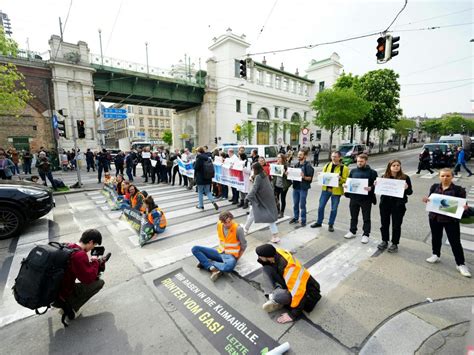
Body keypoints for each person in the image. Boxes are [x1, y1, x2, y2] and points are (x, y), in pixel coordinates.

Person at [422, 168, 471, 277]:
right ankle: (436, 254)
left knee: (455, 242)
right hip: (435, 218)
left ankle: (460, 264)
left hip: (451, 220)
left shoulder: (459, 190)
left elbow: (462, 204)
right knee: (436, 237)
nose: (445, 178)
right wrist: (427, 200)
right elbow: (431, 199)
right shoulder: (434, 187)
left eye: (448, 176)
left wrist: (465, 208)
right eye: (443, 176)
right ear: (439, 177)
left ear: (452, 177)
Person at [256, 244, 321, 324]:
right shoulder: (276, 252)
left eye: (260, 256)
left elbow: (299, 294)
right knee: (266, 269)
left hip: (308, 295)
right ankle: (272, 296)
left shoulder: (290, 269)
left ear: (268, 257)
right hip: (291, 283)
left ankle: (277, 298)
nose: (259, 258)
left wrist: (292, 315)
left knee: (279, 296)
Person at [56, 229, 107, 322]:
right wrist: (95, 261)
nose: (93, 248)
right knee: (99, 283)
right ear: (91, 242)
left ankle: (65, 304)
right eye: (94, 245)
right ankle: (69, 309)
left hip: (52, 291)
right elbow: (88, 279)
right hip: (63, 294)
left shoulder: (68, 246)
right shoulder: (79, 255)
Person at [192, 211, 247, 281]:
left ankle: (207, 264)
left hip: (230, 256)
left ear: (232, 219)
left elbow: (244, 245)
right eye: (225, 222)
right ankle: (212, 267)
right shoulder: (219, 224)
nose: (227, 224)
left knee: (229, 268)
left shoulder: (238, 229)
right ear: (221, 222)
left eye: (229, 221)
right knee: (195, 249)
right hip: (219, 252)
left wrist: (237, 259)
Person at [377, 160, 413, 252]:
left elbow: (410, 192)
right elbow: (379, 191)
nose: (396, 167)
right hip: (385, 204)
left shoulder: (405, 178)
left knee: (396, 225)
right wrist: (376, 186)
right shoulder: (384, 177)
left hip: (398, 205)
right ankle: (384, 241)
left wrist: (407, 188)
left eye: (398, 165)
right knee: (384, 224)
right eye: (394, 165)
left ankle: (394, 243)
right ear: (389, 167)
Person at [311, 151, 349, 232]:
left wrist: (340, 179)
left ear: (339, 157)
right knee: (321, 207)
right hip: (325, 190)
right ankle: (319, 222)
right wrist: (320, 175)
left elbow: (346, 181)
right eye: (332, 156)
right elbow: (323, 176)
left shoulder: (344, 168)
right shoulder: (327, 165)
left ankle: (331, 224)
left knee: (333, 209)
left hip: (336, 192)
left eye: (335, 156)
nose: (333, 158)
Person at [344, 154, 377, 243]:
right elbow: (349, 182)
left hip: (366, 199)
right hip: (354, 198)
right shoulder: (353, 171)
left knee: (366, 218)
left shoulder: (372, 172)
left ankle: (366, 234)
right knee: (353, 216)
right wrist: (346, 186)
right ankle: (352, 231)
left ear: (366, 161)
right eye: (358, 161)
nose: (359, 163)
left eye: (361, 161)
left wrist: (371, 188)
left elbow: (376, 185)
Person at [244, 163, 280, 243]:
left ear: (256, 169)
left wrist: (247, 198)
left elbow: (254, 189)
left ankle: (245, 229)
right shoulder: (264, 174)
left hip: (261, 199)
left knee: (253, 215)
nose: (252, 171)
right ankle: (275, 236)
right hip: (267, 198)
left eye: (253, 169)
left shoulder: (258, 177)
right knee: (259, 215)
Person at [289, 149, 314, 227]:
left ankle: (303, 220)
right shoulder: (296, 165)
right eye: (298, 155)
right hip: (296, 187)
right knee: (295, 204)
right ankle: (296, 217)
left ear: (305, 156)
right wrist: (289, 174)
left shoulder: (308, 166)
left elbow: (310, 178)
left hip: (303, 188)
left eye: (300, 155)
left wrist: (304, 177)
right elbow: (293, 176)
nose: (298, 156)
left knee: (302, 205)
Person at [194, 146, 219, 211]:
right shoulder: (208, 158)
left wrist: (194, 163)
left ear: (199, 152)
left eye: (197, 151)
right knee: (208, 191)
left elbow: (195, 168)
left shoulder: (199, 158)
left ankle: (201, 205)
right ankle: (213, 202)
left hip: (200, 178)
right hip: (208, 177)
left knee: (200, 192)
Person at [272, 153, 291, 219]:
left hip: (283, 185)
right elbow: (274, 176)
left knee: (283, 199)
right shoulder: (276, 165)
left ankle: (282, 212)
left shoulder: (286, 166)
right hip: (276, 185)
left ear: (282, 158)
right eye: (277, 157)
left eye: (279, 157)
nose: (278, 159)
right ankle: (277, 211)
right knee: (276, 199)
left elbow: (289, 177)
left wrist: (284, 173)